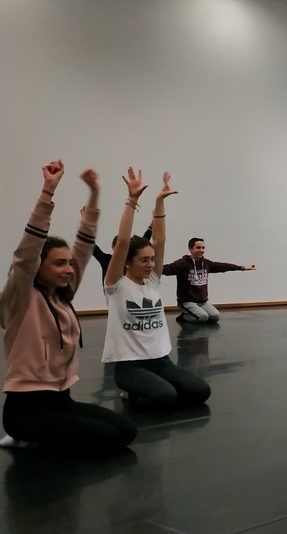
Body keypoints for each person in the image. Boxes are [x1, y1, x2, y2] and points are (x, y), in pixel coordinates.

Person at [1, 161, 136, 452]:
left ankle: (43, 434)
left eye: (68, 263)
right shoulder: (21, 297)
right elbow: (26, 253)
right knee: (109, 439)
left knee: (126, 430)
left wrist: (95, 193)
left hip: (61, 400)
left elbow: (85, 247)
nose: (68, 269)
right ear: (38, 267)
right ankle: (22, 435)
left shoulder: (62, 296)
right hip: (26, 411)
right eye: (59, 263)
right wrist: (48, 191)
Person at [102, 169, 212, 409]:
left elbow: (160, 240)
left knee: (201, 391)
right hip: (130, 365)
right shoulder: (116, 285)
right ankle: (130, 392)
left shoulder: (152, 280)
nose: (151, 264)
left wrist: (160, 202)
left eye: (152, 260)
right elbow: (122, 242)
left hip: (160, 362)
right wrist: (132, 200)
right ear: (128, 261)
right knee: (166, 397)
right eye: (144, 260)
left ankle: (155, 385)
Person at [162, 237, 256, 323]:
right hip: (187, 302)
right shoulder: (182, 264)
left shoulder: (206, 263)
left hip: (203, 302)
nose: (201, 250)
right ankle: (183, 317)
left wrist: (242, 267)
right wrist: (150, 268)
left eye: (203, 248)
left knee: (215, 316)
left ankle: (195, 312)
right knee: (202, 317)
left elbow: (223, 266)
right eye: (198, 247)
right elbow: (166, 269)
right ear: (190, 249)